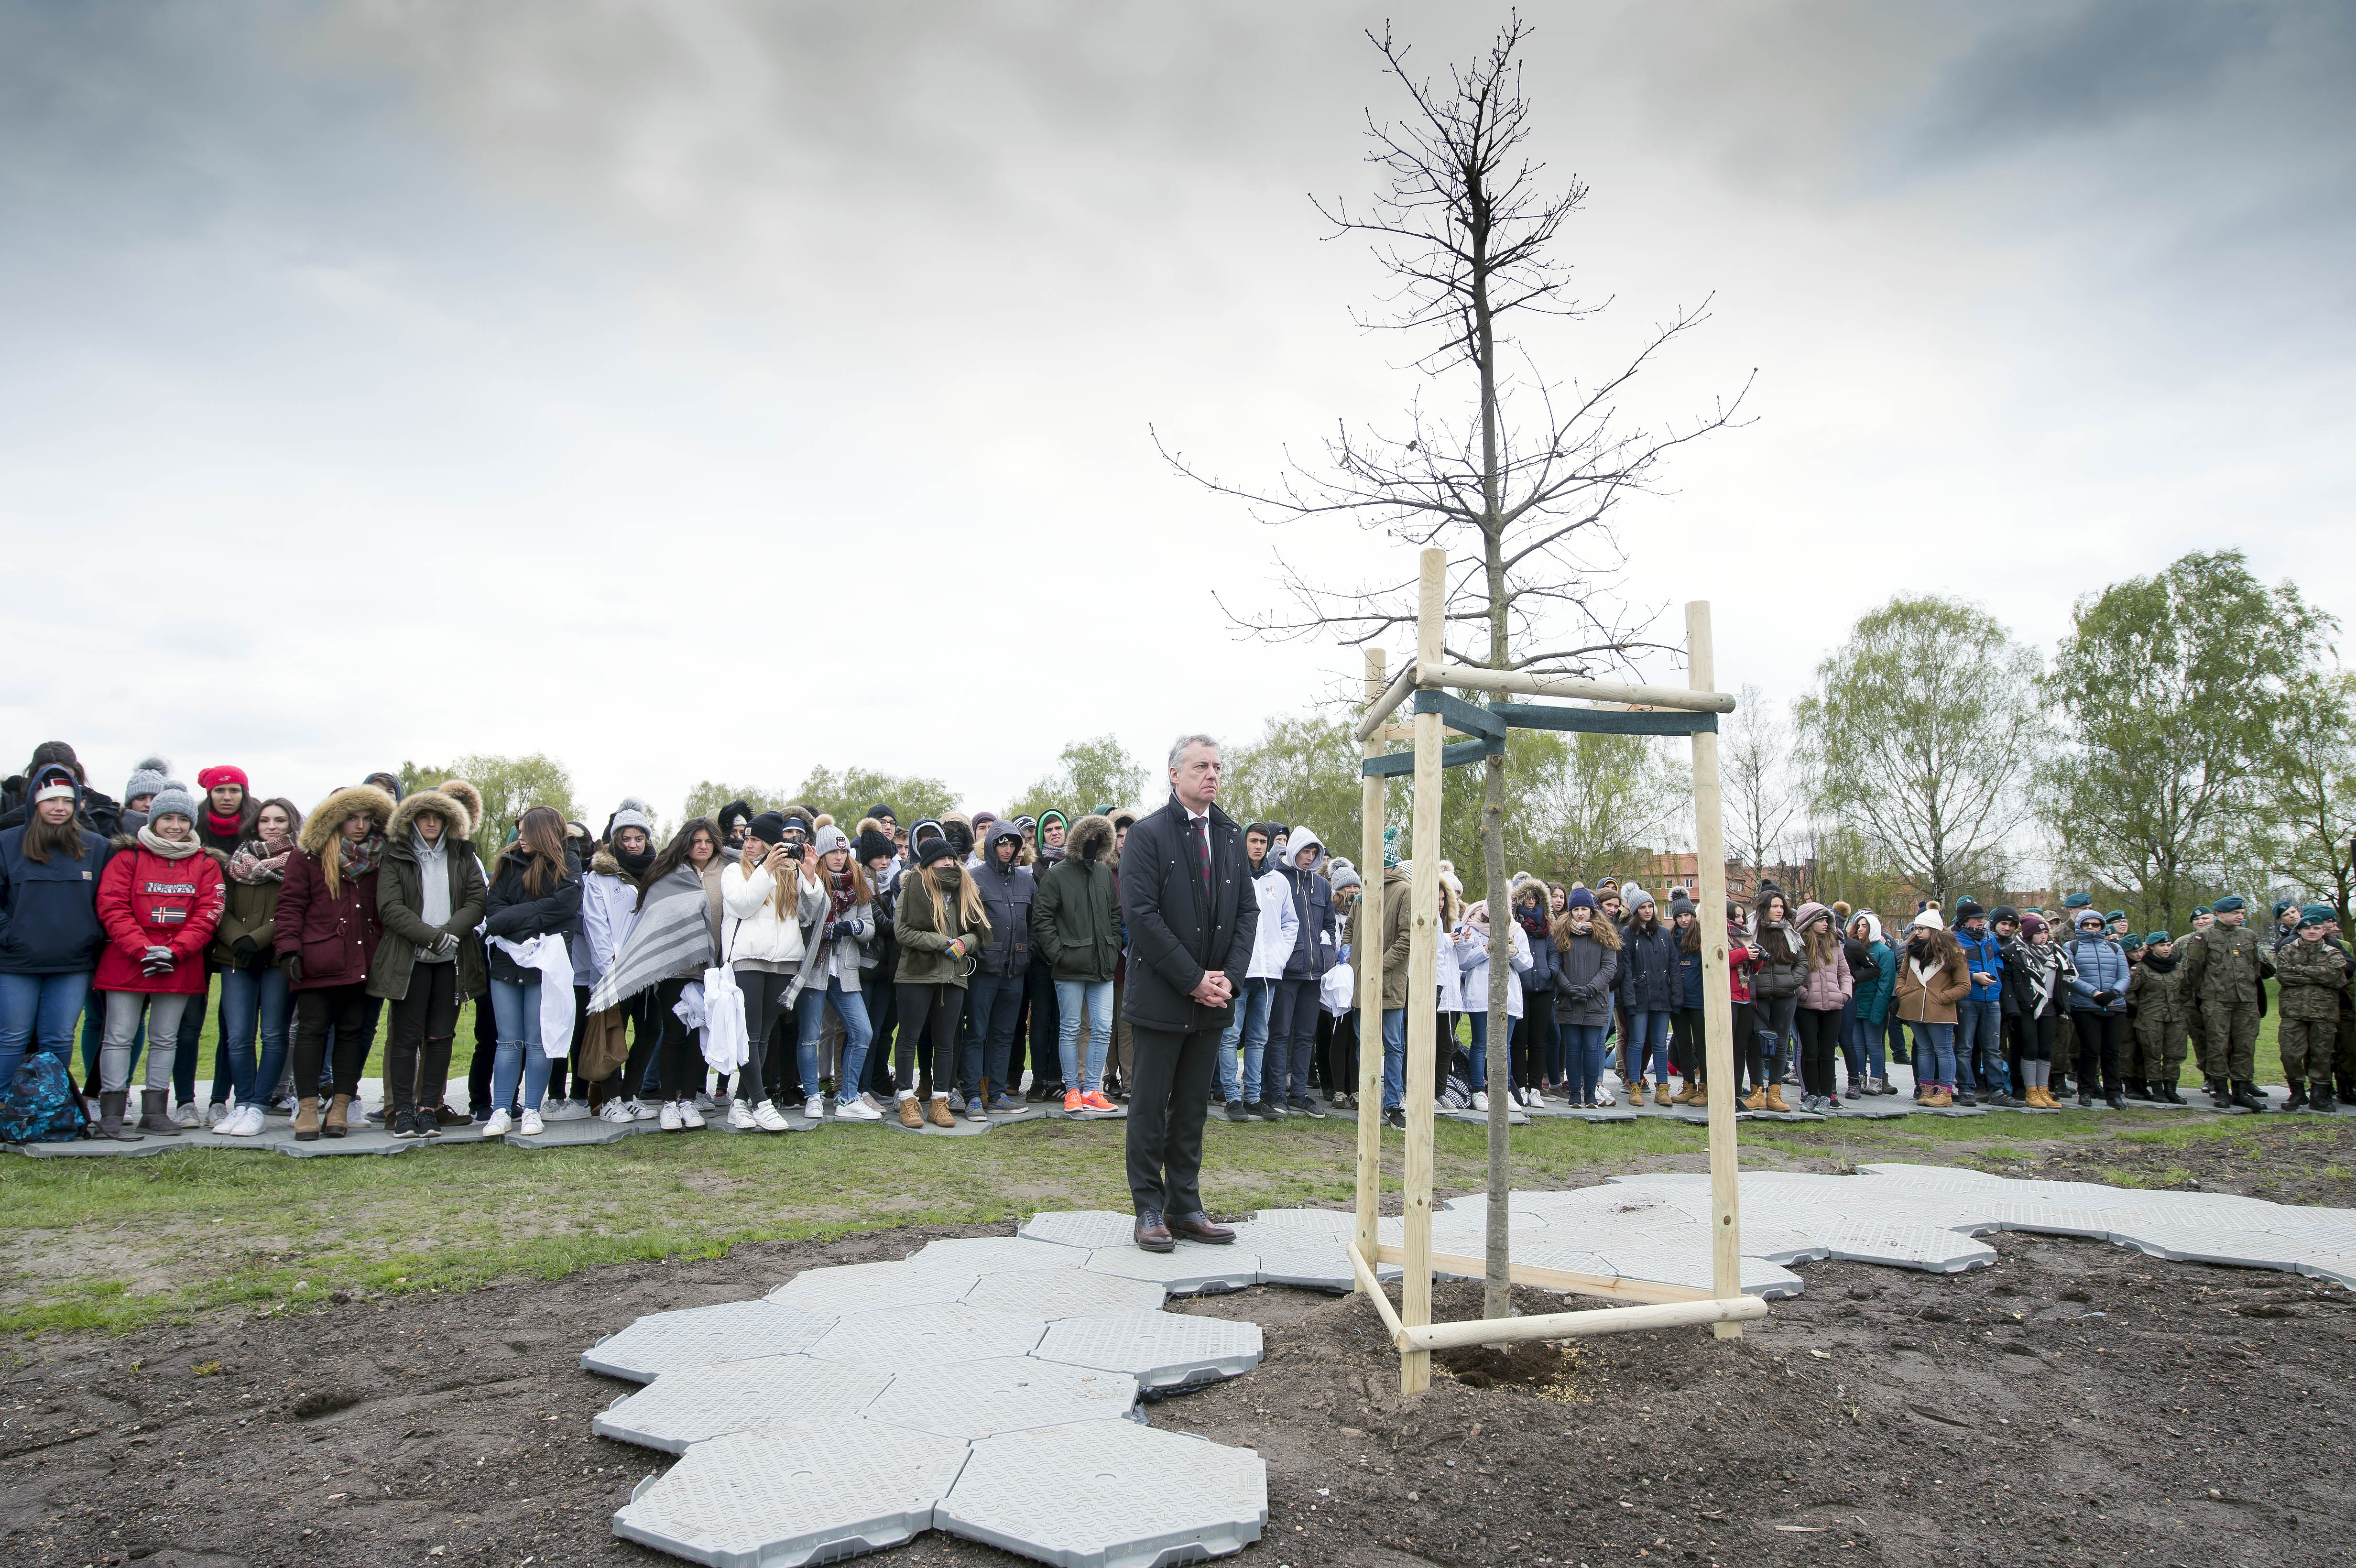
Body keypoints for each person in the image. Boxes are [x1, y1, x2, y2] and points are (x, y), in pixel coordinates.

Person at [1118, 735, 1257, 1252]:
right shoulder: (1149, 835)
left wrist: (1228, 977)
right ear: (1174, 774)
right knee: (1150, 1107)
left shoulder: (1227, 834)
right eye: (1201, 765)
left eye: (1218, 766)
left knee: (1193, 1109)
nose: (1212, 775)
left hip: (1213, 1000)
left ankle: (1185, 1205)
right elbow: (1142, 917)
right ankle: (1148, 1209)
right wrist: (1192, 978)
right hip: (1162, 997)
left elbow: (1247, 911)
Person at [93, 786, 225, 1138]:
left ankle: (154, 1111)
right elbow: (112, 907)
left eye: (183, 819)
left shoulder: (207, 864)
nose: (175, 826)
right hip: (128, 959)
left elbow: (209, 913)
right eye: (167, 818)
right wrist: (143, 949)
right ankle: (111, 1113)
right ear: (154, 820)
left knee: (166, 1038)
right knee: (118, 1036)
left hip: (178, 962)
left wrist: (174, 951)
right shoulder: (127, 858)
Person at [274, 784, 396, 1140]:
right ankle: (308, 1108)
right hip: (318, 957)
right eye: (351, 818)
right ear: (335, 819)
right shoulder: (308, 855)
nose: (359, 826)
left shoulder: (382, 856)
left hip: (365, 959)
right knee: (311, 1031)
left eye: (367, 819)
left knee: (352, 1033)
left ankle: (341, 1106)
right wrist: (289, 949)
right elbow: (290, 905)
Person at [366, 788, 487, 1139]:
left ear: (450, 821)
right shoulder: (396, 855)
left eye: (439, 817)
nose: (432, 822)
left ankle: (428, 1108)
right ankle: (403, 1111)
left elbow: (477, 900)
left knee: (440, 1036)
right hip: (411, 960)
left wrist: (448, 933)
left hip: (451, 962)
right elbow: (389, 907)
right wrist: (429, 936)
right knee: (405, 1038)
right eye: (424, 816)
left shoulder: (463, 854)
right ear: (411, 821)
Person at [587, 819, 722, 1129]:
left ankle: (689, 1100)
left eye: (708, 841)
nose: (702, 846)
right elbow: (653, 919)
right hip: (672, 969)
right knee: (673, 1035)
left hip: (711, 969)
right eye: (696, 840)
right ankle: (668, 1103)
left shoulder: (726, 872)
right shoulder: (665, 873)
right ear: (684, 842)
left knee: (697, 1038)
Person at [0, 764, 112, 1093]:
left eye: (67, 799)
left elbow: (104, 902)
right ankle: (5, 1108)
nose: (59, 807)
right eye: (50, 800)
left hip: (72, 964)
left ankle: (50, 1109)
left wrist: (88, 938)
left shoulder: (96, 847)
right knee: (13, 1036)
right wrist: (10, 935)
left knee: (59, 1037)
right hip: (16, 962)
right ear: (35, 802)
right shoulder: (6, 843)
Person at [481, 806, 586, 1138]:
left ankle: (532, 1111)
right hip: (507, 961)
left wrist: (512, 920)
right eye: (519, 831)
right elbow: (494, 908)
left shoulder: (569, 862)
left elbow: (563, 908)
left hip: (547, 964)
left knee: (538, 1042)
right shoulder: (507, 862)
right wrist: (520, 928)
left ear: (544, 833)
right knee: (508, 1041)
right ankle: (500, 1110)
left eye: (527, 831)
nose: (520, 837)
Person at [720, 812, 826, 1130]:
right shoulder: (733, 871)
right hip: (748, 959)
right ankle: (762, 1102)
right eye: (747, 839)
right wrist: (765, 870)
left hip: (783, 961)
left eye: (755, 840)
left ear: (770, 843)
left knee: (764, 1035)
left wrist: (809, 878)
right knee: (750, 1035)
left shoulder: (788, 873)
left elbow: (808, 916)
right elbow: (742, 905)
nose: (747, 844)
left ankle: (740, 1103)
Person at [209, 797, 302, 1136]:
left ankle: (261, 1106)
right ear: (255, 824)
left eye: (280, 820)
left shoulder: (301, 861)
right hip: (237, 958)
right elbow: (220, 905)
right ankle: (243, 1103)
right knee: (237, 1036)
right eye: (265, 821)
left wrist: (259, 940)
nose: (272, 826)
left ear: (292, 823)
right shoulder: (237, 861)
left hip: (276, 959)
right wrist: (239, 940)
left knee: (274, 1034)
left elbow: (296, 908)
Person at [894, 834, 991, 1128]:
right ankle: (907, 1100)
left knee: (946, 1042)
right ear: (927, 863)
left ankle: (940, 1102)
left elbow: (979, 932)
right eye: (941, 859)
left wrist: (963, 943)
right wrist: (941, 942)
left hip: (954, 976)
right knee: (909, 1038)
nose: (948, 863)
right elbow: (903, 932)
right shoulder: (912, 887)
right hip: (916, 975)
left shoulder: (966, 889)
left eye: (951, 859)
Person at [1032, 812, 1123, 1112]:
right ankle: (1072, 1090)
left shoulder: (1103, 874)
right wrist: (1059, 953)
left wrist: (1111, 950)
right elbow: (1042, 919)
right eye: (1088, 838)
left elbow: (1114, 915)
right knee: (1070, 1028)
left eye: (1099, 840)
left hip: (1102, 967)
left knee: (1103, 1028)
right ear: (1077, 839)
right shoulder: (1056, 875)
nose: (1092, 844)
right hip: (1069, 968)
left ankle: (1093, 1091)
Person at [791, 825, 881, 1121]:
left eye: (843, 850)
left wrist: (854, 927)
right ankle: (813, 1096)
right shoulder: (808, 880)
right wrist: (827, 929)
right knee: (809, 1037)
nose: (839, 856)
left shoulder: (859, 884)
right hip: (814, 970)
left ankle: (848, 1097)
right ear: (821, 854)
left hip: (845, 971)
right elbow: (801, 921)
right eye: (833, 851)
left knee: (862, 1032)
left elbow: (869, 928)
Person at [1220, 822, 1296, 1122]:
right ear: (1244, 842)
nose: (1258, 847)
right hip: (1237, 972)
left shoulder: (1278, 881)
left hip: (1268, 975)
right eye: (1253, 841)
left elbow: (1291, 923)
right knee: (1230, 1036)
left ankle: (1253, 1096)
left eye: (1263, 842)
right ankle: (1232, 1097)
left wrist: (1280, 956)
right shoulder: (1232, 877)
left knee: (1259, 1038)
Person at [963, 817, 1035, 1118]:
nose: (1008, 850)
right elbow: (966, 922)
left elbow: (1033, 924)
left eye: (1013, 844)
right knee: (976, 1032)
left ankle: (997, 1093)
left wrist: (1027, 954)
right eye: (1002, 843)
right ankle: (972, 1096)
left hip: (1015, 971)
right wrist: (979, 954)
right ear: (991, 845)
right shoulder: (974, 878)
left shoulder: (1026, 879)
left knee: (1005, 1033)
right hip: (983, 969)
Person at [2179, 894, 2273, 1112]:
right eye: (2235, 913)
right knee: (2217, 1045)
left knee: (2245, 1045)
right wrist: (2208, 991)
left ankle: (2241, 1090)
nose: (2240, 917)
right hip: (2216, 1000)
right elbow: (2194, 971)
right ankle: (2221, 1090)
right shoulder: (2204, 937)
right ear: (2220, 914)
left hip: (2246, 1000)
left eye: (2242, 913)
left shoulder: (2248, 935)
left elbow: (2256, 967)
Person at [1268, 827, 1336, 1117]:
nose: (1309, 858)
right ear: (1293, 850)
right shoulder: (1278, 880)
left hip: (1314, 974)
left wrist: (1328, 955)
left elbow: (1330, 926)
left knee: (1306, 1035)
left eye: (1313, 853)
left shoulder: (1321, 886)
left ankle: (1298, 1093)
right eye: (1304, 851)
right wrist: (1279, 957)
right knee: (1279, 1033)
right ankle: (1274, 1092)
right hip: (1286, 971)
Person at [1457, 896, 1533, 1108]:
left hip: (1508, 996)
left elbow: (1527, 963)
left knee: (1504, 1046)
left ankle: (1504, 1090)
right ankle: (1478, 1090)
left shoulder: (1517, 931)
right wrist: (1486, 950)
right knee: (1481, 1043)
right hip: (1481, 993)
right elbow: (1463, 962)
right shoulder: (1473, 927)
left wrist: (1514, 953)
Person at [2273, 906, 2351, 1112]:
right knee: (2290, 1053)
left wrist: (2300, 970)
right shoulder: (2288, 950)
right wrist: (2320, 976)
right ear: (2299, 931)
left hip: (2324, 1012)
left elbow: (2337, 977)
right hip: (2293, 1012)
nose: (2312, 932)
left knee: (2322, 1054)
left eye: (2317, 928)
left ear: (2324, 931)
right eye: (2308, 929)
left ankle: (2319, 1094)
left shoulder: (2333, 952)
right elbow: (2284, 976)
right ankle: (2297, 1092)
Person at [1892, 908, 1970, 1109]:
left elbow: (1964, 985)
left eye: (1921, 929)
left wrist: (1943, 998)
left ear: (1934, 930)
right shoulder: (1912, 950)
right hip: (1914, 1008)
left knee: (1943, 1050)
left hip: (1940, 1011)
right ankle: (1926, 1090)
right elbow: (1901, 975)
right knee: (1924, 1050)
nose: (1917, 932)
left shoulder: (1954, 954)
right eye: (1917, 928)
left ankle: (1945, 1092)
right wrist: (1903, 992)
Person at [1550, 889, 1620, 1110]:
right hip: (1568, 999)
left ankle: (1590, 1094)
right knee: (1573, 1047)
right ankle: (1574, 1094)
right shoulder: (1562, 934)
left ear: (1591, 910)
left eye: (1584, 909)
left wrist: (1590, 989)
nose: (1581, 914)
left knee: (1591, 1048)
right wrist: (1568, 988)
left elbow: (1610, 967)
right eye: (1576, 910)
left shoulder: (1605, 935)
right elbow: (1557, 966)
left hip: (1595, 1001)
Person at [1616, 885, 1680, 1107]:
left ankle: (1663, 1088)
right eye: (1642, 907)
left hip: (1662, 998)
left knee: (1660, 1044)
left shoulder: (1663, 934)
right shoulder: (1627, 935)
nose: (1648, 910)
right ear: (1635, 911)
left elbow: (1673, 966)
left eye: (1650, 906)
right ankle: (1635, 1085)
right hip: (1638, 999)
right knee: (1637, 1042)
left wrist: (1676, 997)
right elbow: (1625, 971)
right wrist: (1630, 1002)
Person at [1790, 902, 1855, 1111]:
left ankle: (1826, 1096)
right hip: (1807, 1006)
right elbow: (1792, 973)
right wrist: (1803, 993)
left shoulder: (1834, 945)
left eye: (1828, 920)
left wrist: (1844, 994)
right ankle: (1810, 1095)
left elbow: (1845, 973)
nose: (1826, 924)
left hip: (1834, 1006)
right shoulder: (1798, 946)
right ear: (1809, 923)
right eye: (1821, 919)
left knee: (1828, 1053)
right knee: (1810, 1051)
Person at [2063, 908, 2130, 1110]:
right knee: (2090, 1050)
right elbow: (2070, 976)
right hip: (2085, 1006)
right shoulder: (2071, 947)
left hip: (2115, 1006)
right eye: (2087, 925)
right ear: (2080, 926)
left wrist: (2114, 994)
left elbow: (2125, 975)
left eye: (2096, 925)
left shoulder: (2115, 948)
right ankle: (2086, 1091)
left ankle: (2114, 1093)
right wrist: (2095, 994)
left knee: (2112, 1052)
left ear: (2102, 926)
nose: (2091, 928)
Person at [2123, 929, 2190, 1107]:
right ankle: (2156, 1089)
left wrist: (2176, 1004)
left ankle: (2171, 1089)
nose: (2167, 949)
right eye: (2162, 946)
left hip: (2175, 1017)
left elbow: (2186, 991)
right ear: (2151, 948)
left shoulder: (2177, 967)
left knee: (2175, 1055)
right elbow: (2129, 992)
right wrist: (2144, 1007)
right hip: (2150, 1018)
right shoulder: (2141, 968)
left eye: (2169, 945)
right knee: (2151, 1054)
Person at [1511, 876, 1560, 1100]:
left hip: (1544, 987)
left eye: (1535, 898)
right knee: (1520, 1040)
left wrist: (1551, 971)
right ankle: (1521, 1086)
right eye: (1527, 898)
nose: (1531, 902)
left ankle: (1536, 1088)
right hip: (1521, 986)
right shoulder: (1514, 924)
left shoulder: (1545, 925)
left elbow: (1553, 952)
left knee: (1539, 1041)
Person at [1749, 892, 1804, 1091]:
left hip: (1785, 997)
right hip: (1759, 997)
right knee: (1757, 1042)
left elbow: (1803, 962)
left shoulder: (1790, 933)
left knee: (1781, 1043)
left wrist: (1791, 982)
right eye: (1775, 907)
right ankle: (1756, 1091)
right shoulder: (1751, 932)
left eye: (1782, 907)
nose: (1780, 911)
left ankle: (1775, 1091)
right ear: (1764, 908)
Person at [1846, 913, 1896, 1096]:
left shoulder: (1884, 952)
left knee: (1874, 1045)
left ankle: (1876, 1080)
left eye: (1865, 926)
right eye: (1858, 926)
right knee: (1857, 1044)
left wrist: (1878, 1011)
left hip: (1874, 1005)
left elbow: (1886, 985)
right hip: (1855, 1004)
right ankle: (1858, 1079)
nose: (1860, 930)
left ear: (1873, 928)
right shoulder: (1854, 949)